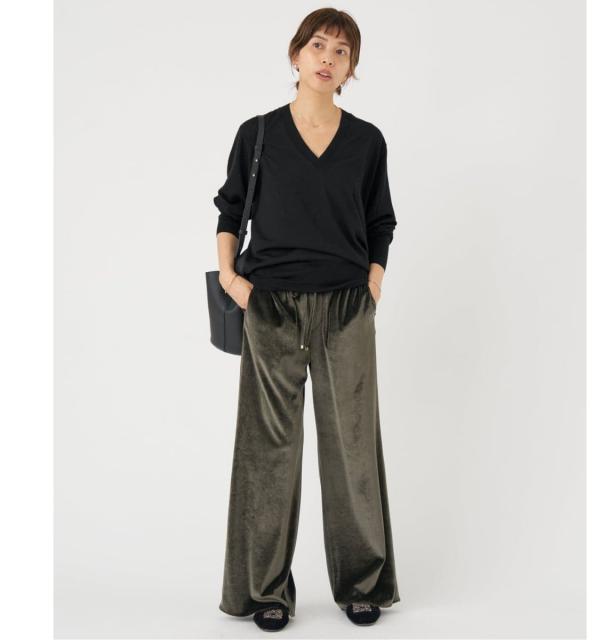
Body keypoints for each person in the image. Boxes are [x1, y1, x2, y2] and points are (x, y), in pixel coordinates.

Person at [213, 8, 400, 631]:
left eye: (341, 51)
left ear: (351, 68)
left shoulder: (367, 141)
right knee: (268, 453)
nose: (327, 58)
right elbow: (230, 208)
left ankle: (362, 584)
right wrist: (233, 279)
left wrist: (373, 283)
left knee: (352, 448)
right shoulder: (259, 133)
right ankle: (264, 590)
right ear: (296, 55)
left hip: (347, 306)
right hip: (270, 305)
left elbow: (380, 220)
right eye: (318, 45)